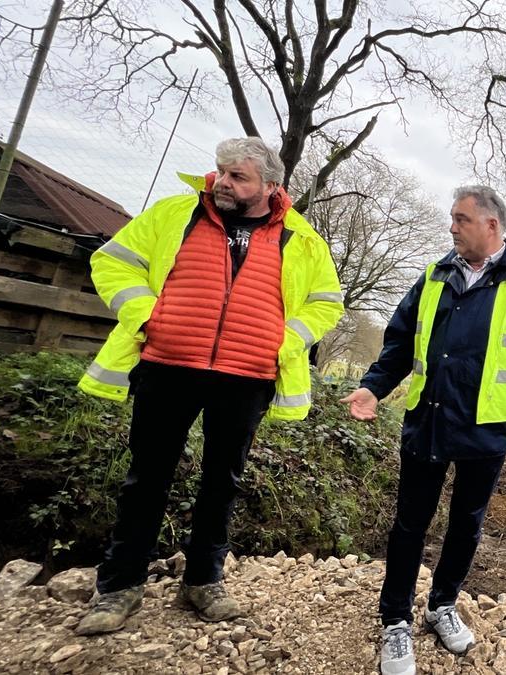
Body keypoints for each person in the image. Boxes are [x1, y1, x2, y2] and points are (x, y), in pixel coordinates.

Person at [74, 138, 344, 635]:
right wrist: (145, 314)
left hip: (246, 376)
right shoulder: (175, 214)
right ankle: (118, 588)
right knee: (146, 478)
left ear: (269, 186)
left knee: (223, 482)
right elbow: (112, 262)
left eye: (237, 176)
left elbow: (327, 303)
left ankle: (203, 581)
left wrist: (283, 340)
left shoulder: (301, 239)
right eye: (221, 172)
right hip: (168, 365)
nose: (222, 182)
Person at [341, 185, 506, 675]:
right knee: (409, 523)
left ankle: (442, 604)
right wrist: (374, 388)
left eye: (461, 219)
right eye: (452, 218)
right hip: (429, 419)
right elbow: (400, 342)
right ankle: (395, 620)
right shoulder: (433, 275)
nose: (452, 227)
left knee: (467, 523)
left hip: (487, 429)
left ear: (492, 225)